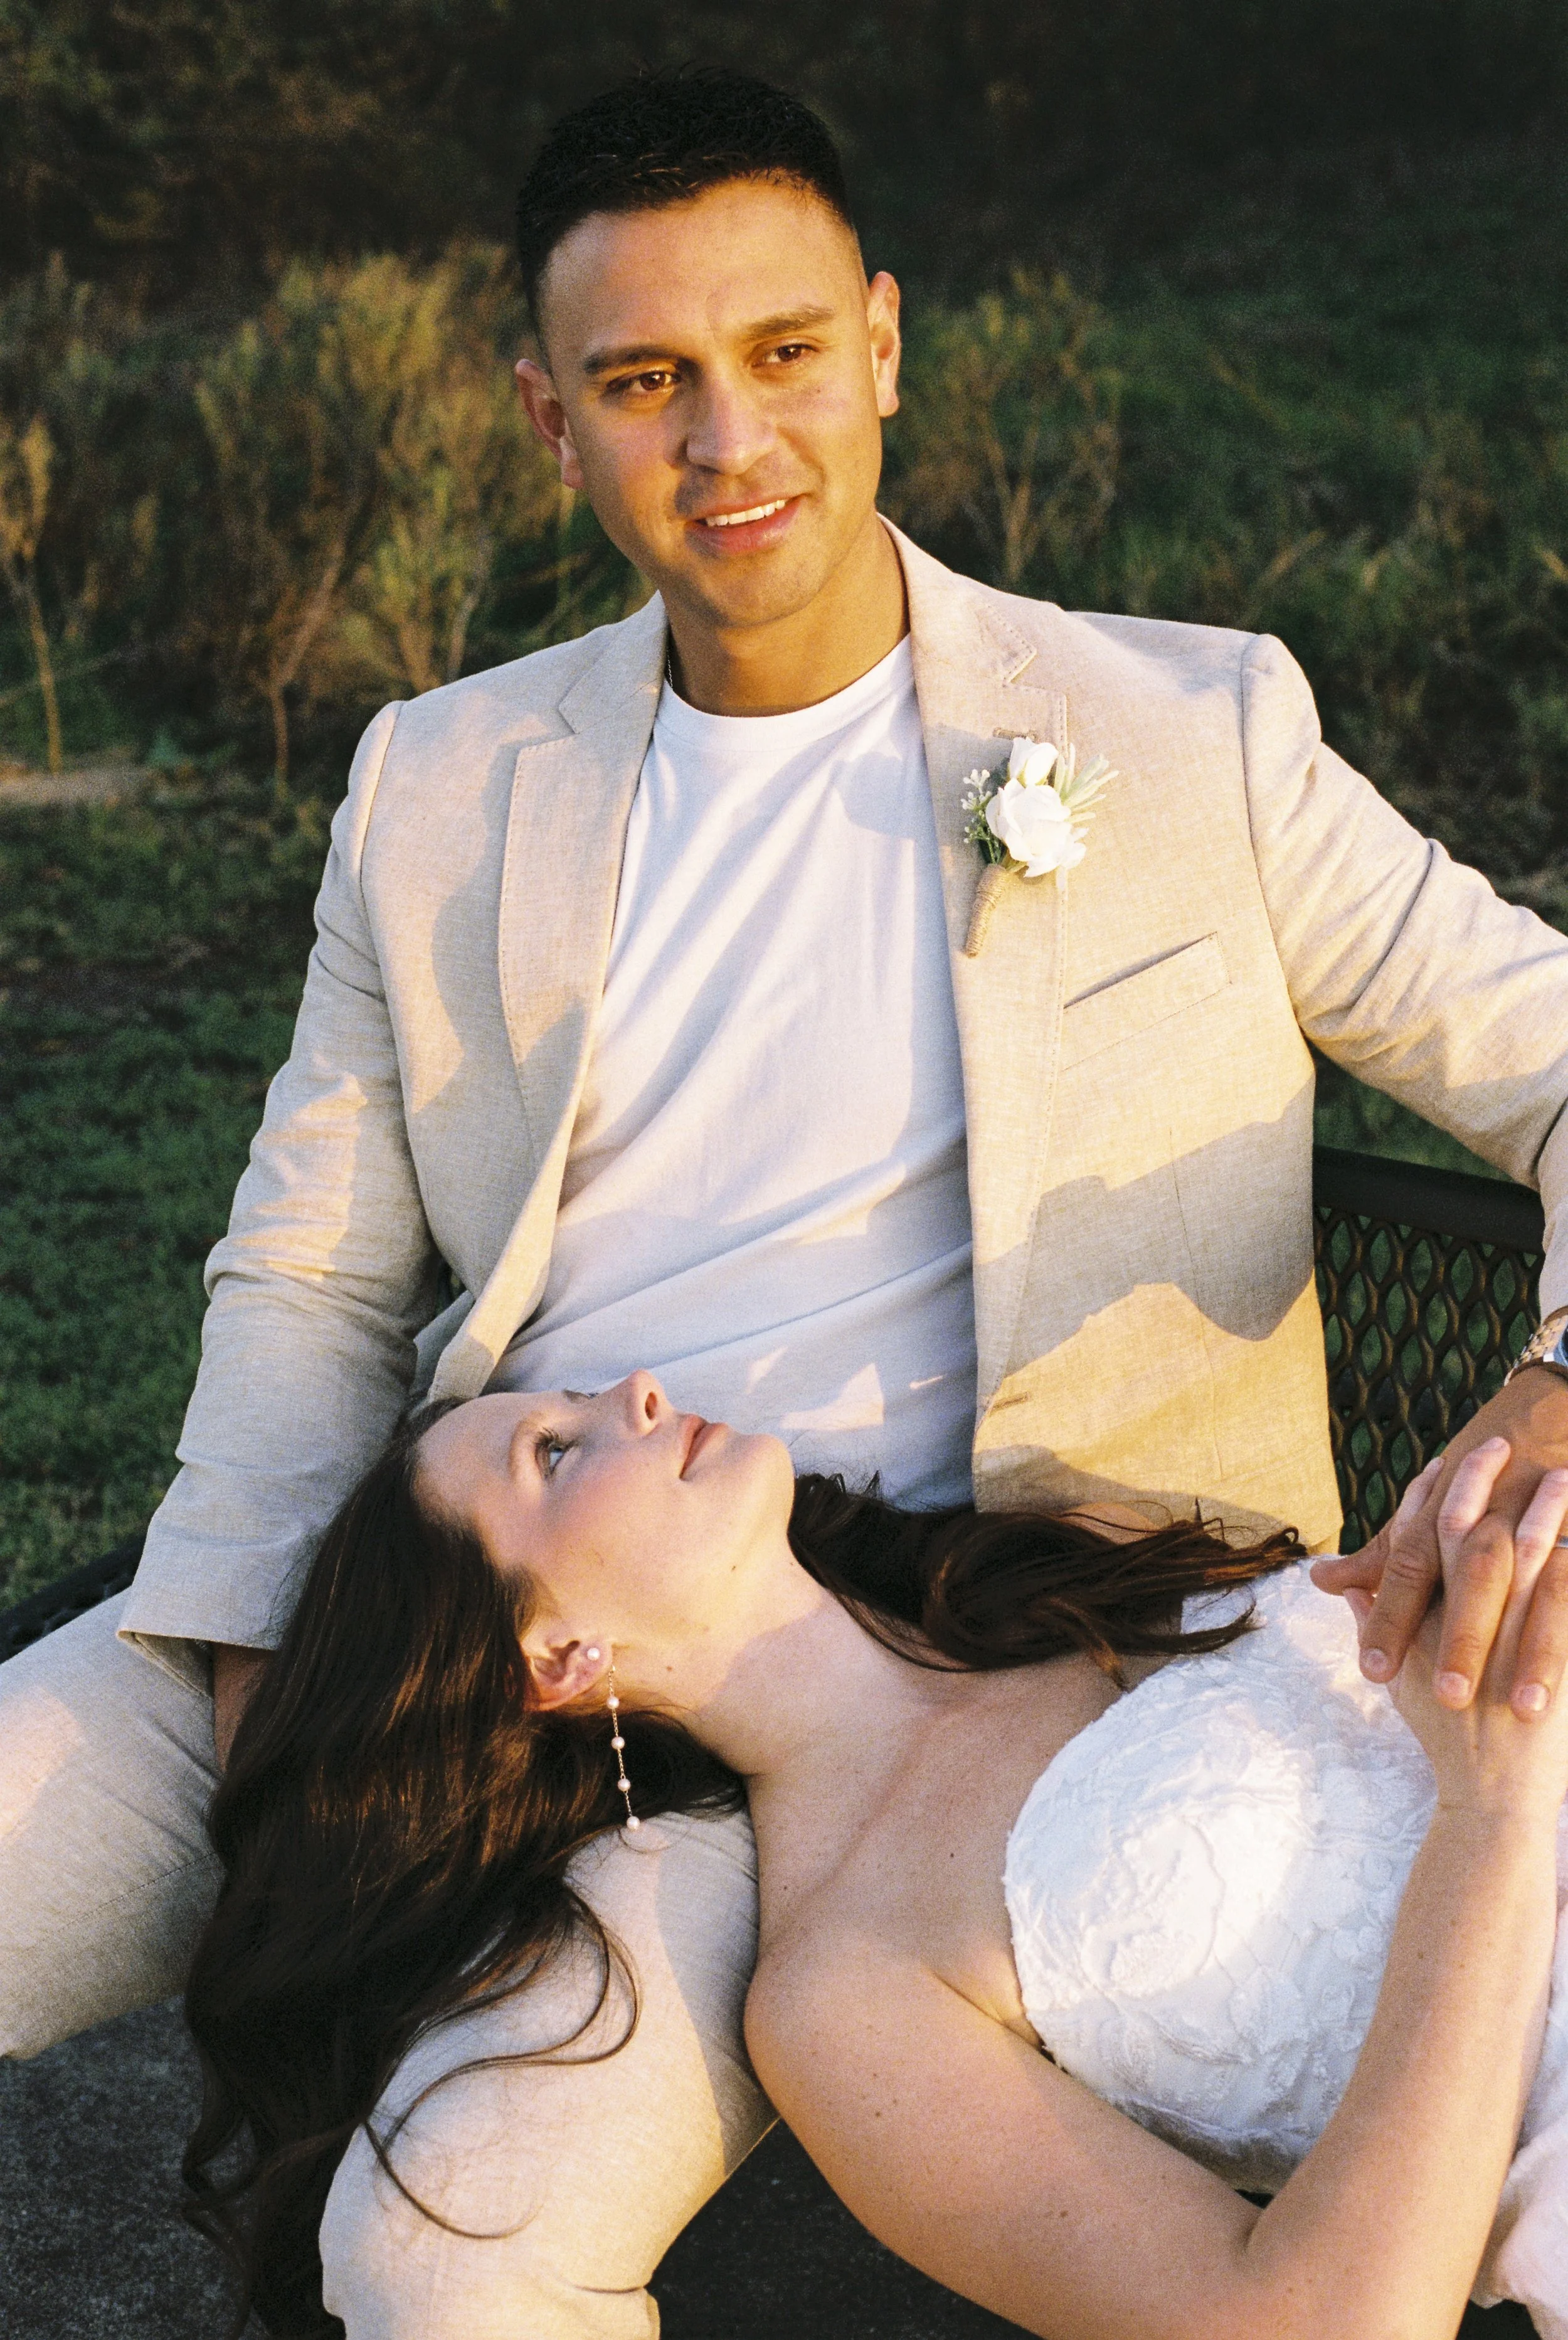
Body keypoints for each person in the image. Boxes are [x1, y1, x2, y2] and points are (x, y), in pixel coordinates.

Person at [4, 63, 1568, 2339]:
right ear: (552, 422)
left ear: (887, 350)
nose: (731, 443)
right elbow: (316, 1267)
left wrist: (1554, 1385)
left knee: (444, 2262)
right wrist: (264, 1681)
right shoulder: (441, 784)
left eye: (784, 356)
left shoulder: (1181, 734)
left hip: (946, 1694)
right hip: (482, 1580)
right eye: (647, 382)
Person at [184, 1375, 1568, 2340]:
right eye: (555, 1451)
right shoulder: (840, 1991)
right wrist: (1493, 1817)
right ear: (556, 1658)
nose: (641, 1393)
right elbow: (1317, 2319)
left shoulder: (1053, 1572)